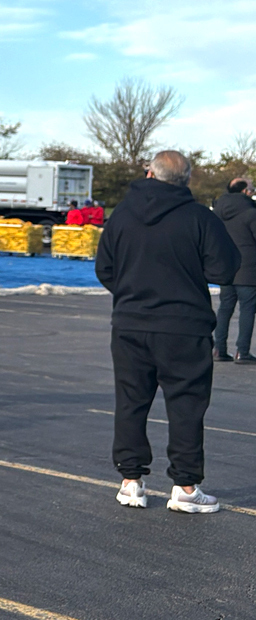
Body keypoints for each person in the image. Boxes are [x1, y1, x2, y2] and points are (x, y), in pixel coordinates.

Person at [97, 150, 239, 513]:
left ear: (149, 173)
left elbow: (105, 269)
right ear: (186, 180)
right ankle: (186, 487)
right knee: (187, 406)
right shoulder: (199, 218)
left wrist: (132, 293)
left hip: (131, 323)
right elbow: (225, 268)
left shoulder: (122, 216)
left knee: (131, 402)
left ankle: (131, 481)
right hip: (184, 326)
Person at [210, 178, 256, 363]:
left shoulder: (218, 212)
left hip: (226, 268)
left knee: (225, 308)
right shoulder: (251, 213)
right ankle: (242, 351)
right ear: (244, 191)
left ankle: (219, 349)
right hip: (248, 269)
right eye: (252, 189)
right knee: (247, 309)